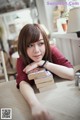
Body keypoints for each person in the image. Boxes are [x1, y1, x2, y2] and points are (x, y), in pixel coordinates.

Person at [16, 24, 74, 120]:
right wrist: (34, 105)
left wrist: (43, 63)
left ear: (46, 43)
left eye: (40, 43)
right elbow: (23, 83)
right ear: (23, 47)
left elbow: (71, 74)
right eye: (30, 45)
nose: (37, 50)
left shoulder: (52, 50)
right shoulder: (22, 59)